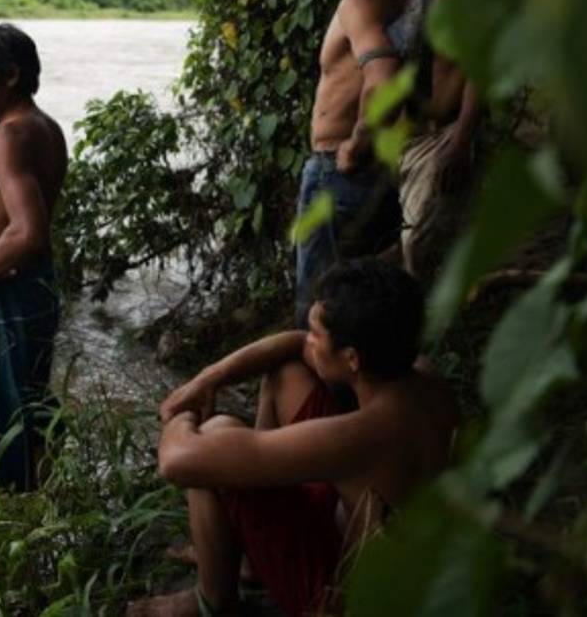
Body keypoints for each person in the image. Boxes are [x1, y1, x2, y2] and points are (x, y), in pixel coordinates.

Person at [128, 260, 458, 617]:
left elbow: (178, 461)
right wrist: (207, 379)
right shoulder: (422, 375)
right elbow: (294, 345)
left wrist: (181, 412)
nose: (308, 338)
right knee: (286, 374)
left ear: (352, 359)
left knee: (214, 433)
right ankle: (252, 559)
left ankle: (212, 600)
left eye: (317, 334)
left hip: (341, 599)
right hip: (370, 534)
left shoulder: (361, 437)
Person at [0, 23, 68, 498]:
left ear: (12, 75)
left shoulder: (11, 135)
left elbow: (27, 231)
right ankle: (36, 508)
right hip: (30, 288)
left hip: (3, 293)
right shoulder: (45, 127)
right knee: (27, 409)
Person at [295, 0, 404, 326]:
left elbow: (384, 74)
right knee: (360, 311)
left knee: (318, 312)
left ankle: (317, 394)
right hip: (373, 175)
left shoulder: (356, 4)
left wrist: (357, 142)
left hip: (338, 173)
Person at [376, 0, 482, 283]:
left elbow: (477, 62)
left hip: (443, 135)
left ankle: (435, 336)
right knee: (412, 245)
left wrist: (460, 140)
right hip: (408, 143)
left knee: (423, 248)